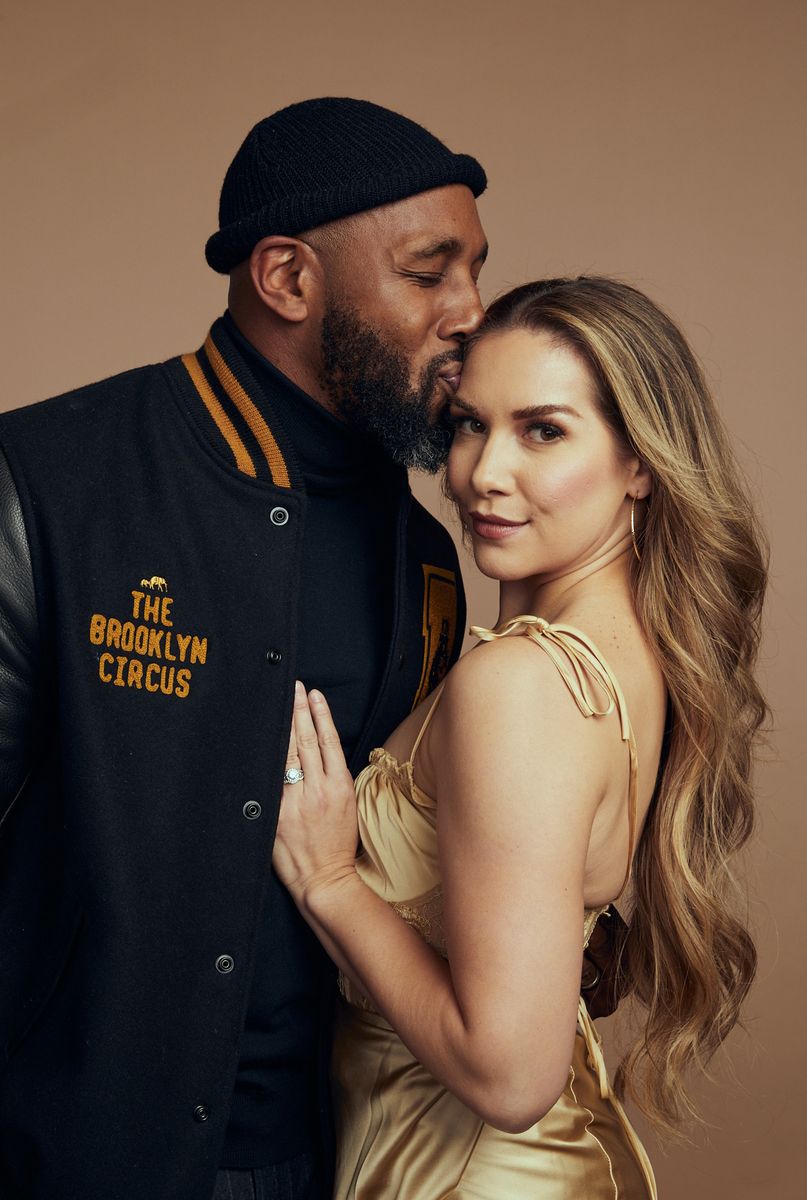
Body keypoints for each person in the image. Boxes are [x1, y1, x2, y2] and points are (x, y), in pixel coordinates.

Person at [0, 100, 614, 1200]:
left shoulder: (432, 553)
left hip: (332, 1163)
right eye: (431, 273)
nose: (473, 311)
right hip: (64, 1159)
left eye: (478, 269)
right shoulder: (43, 481)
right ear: (288, 279)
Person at [272, 276, 768, 1198]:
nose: (482, 473)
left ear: (640, 463)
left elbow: (509, 1075)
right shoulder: (623, 662)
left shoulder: (523, 685)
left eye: (542, 430)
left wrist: (333, 883)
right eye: (468, 425)